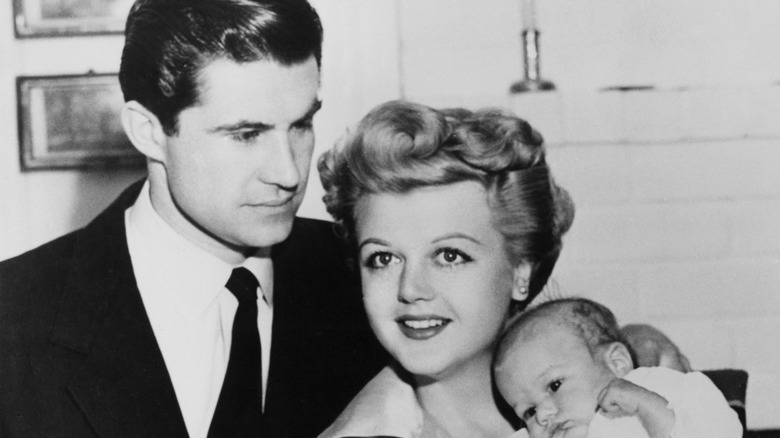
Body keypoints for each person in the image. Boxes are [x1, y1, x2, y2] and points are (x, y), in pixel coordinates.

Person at [0, 0, 386, 436]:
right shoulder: (13, 316)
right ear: (149, 132)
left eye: (300, 125)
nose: (289, 173)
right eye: (246, 134)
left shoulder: (372, 281)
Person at [317, 99, 575, 438]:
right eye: (383, 259)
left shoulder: (603, 401)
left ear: (521, 269)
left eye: (449, 256)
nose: (410, 288)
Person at [493, 297, 742, 438]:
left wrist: (649, 408)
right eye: (528, 411)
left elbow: (720, 431)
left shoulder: (661, 390)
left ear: (617, 364)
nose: (543, 414)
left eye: (554, 385)